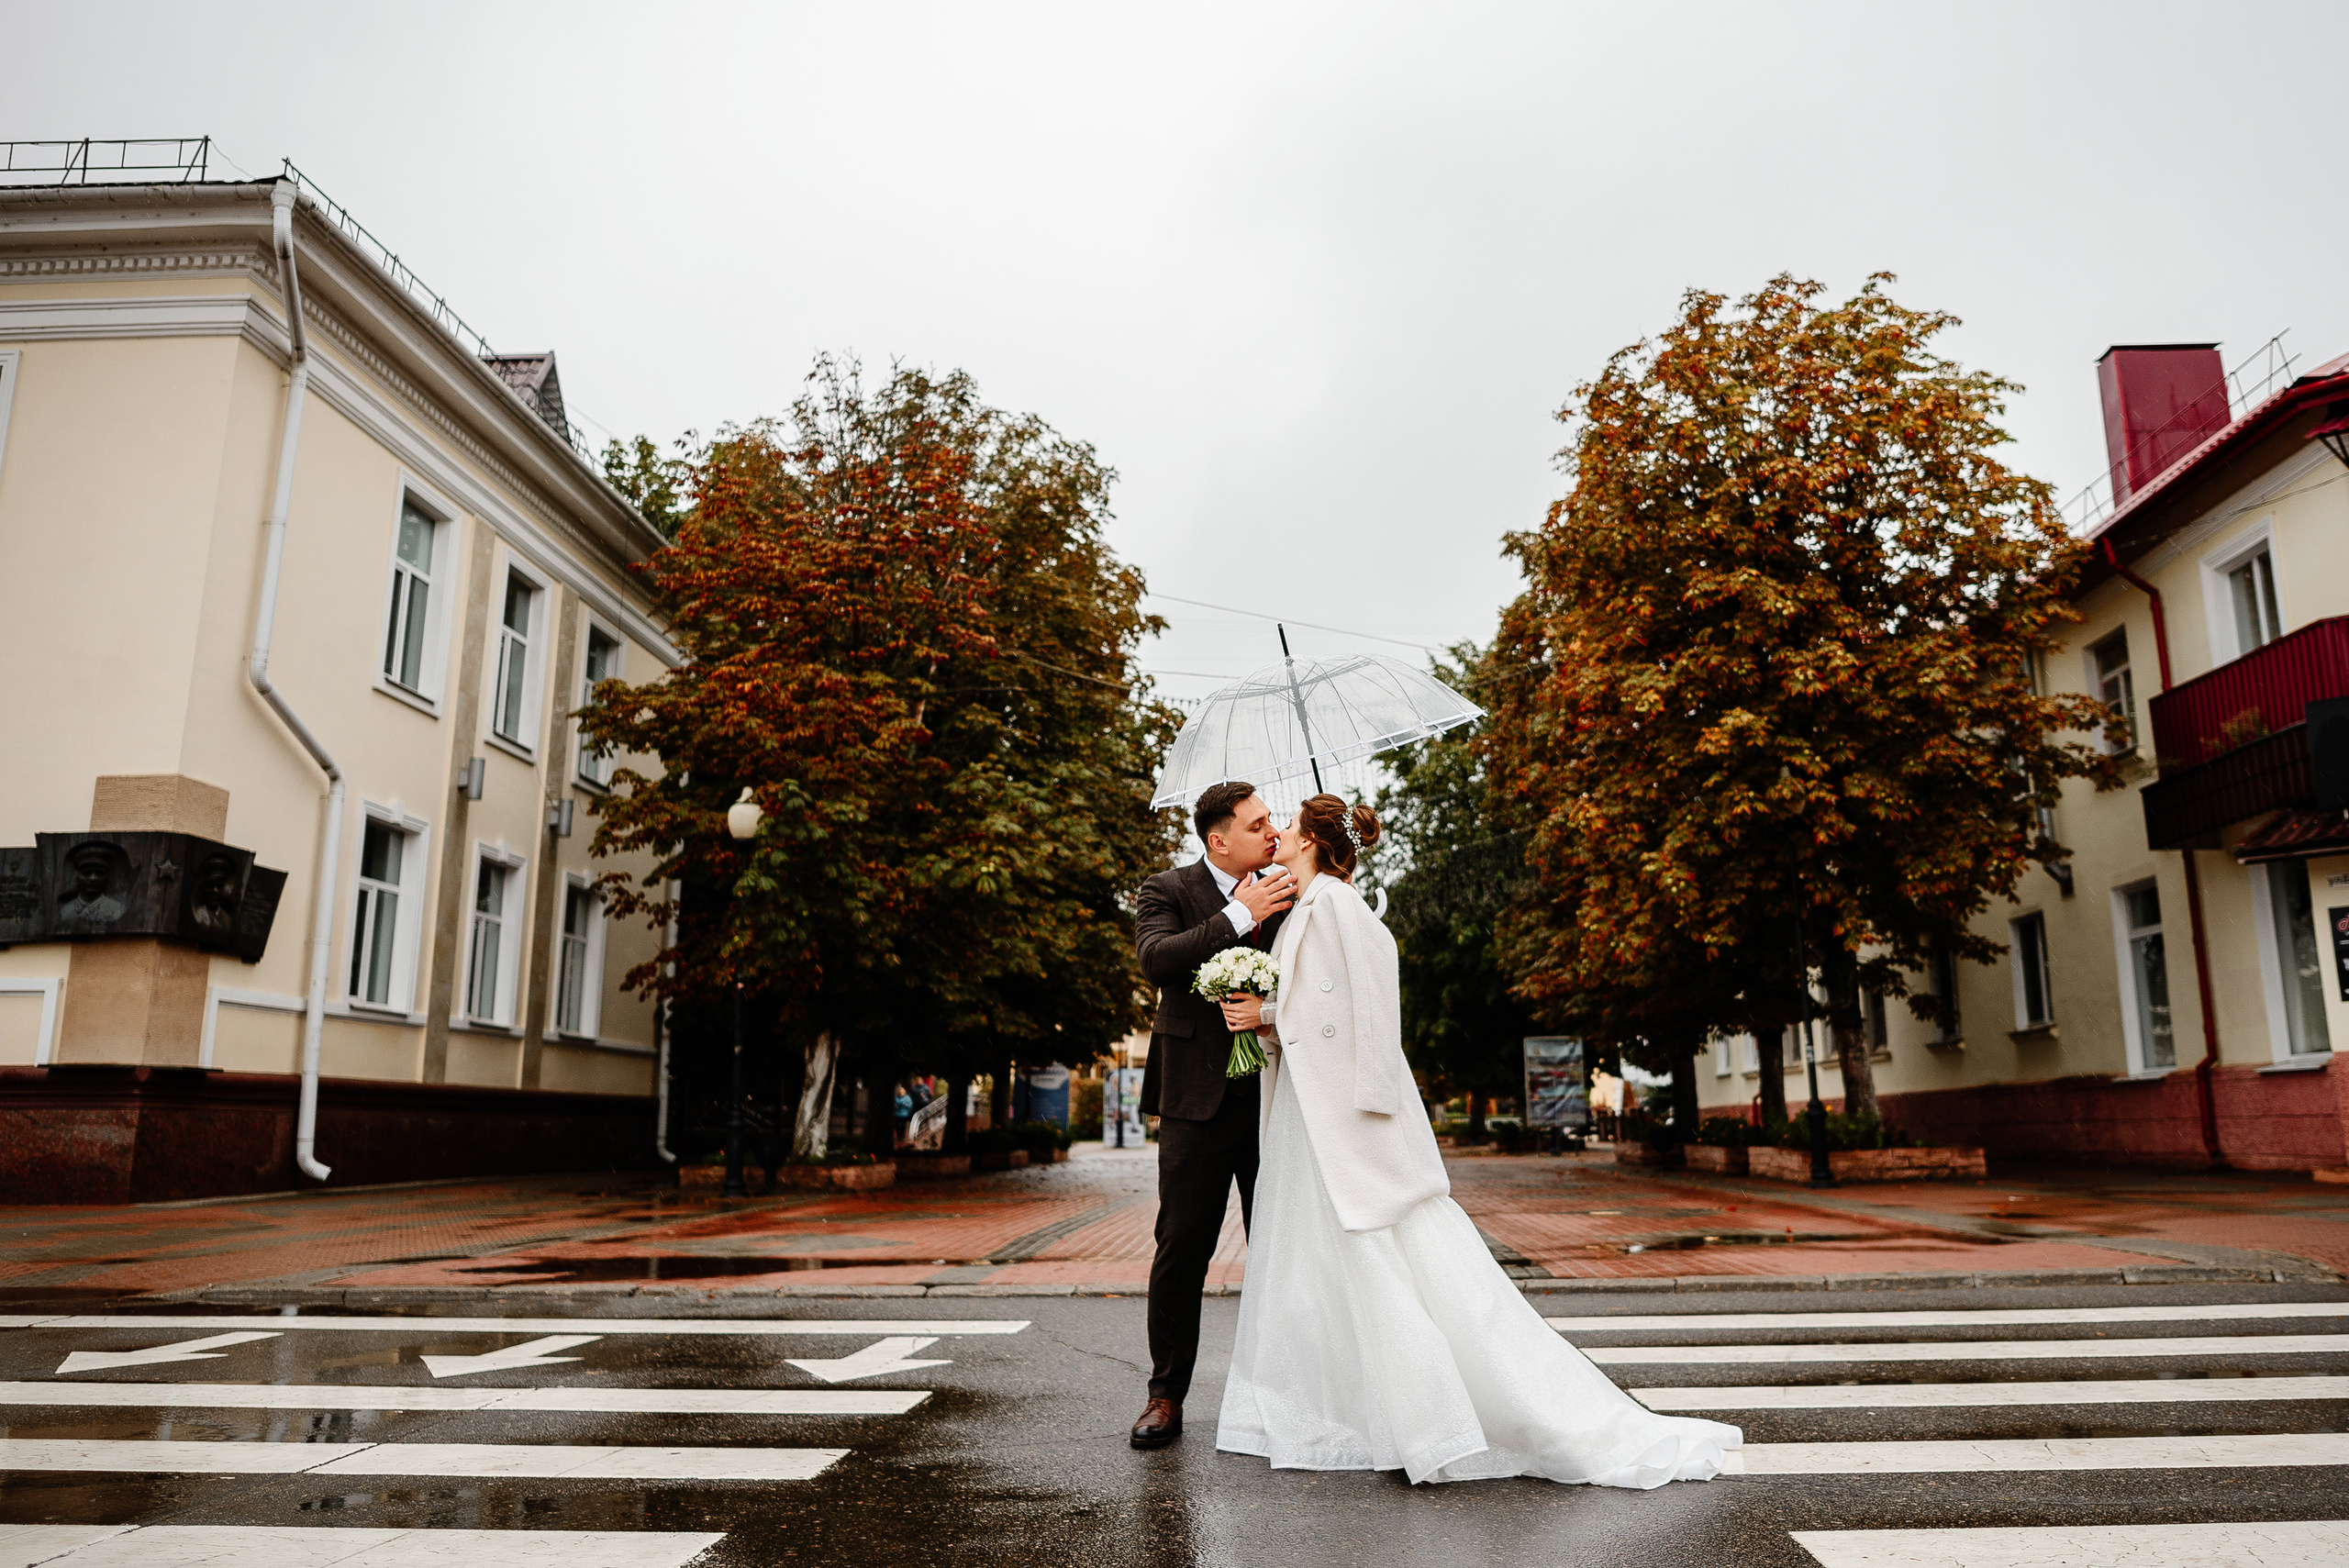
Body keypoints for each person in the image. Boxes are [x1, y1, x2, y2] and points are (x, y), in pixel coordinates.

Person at [1212, 794, 1742, 1487]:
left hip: (1341, 1116)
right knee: (1330, 1260)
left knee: (1383, 1256)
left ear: (1312, 839)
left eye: (1286, 823)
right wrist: (1267, 1018)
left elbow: (1360, 1008)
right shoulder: (1308, 908)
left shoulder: (1338, 904)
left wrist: (1270, 1010)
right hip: (1313, 1115)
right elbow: (1324, 1008)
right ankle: (1354, 1411)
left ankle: (1435, 1415)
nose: (1275, 832)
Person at [1127, 780, 1297, 1450]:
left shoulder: (1288, 892)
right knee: (1182, 1248)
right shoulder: (1166, 888)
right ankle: (1165, 1394)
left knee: (1282, 1246)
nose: (1272, 834)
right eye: (1258, 826)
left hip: (1273, 1096)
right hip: (1194, 1102)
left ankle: (1288, 1395)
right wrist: (1234, 916)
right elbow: (1156, 959)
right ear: (1218, 838)